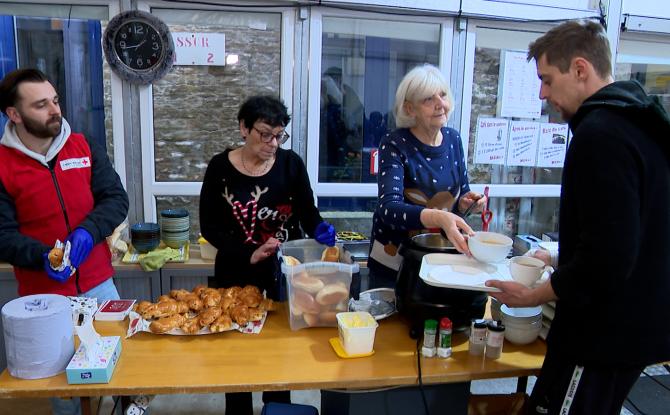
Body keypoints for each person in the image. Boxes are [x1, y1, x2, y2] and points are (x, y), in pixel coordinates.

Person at [486, 20, 670, 415]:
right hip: (636, 329)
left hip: (601, 337)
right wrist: (553, 257)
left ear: (581, 69)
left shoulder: (600, 135)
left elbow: (608, 258)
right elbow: (626, 228)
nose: (542, 93)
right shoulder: (639, 123)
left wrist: (531, 295)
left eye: (548, 80)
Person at [0, 68, 129, 414]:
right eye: (41, 105)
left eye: (55, 101)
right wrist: (43, 255)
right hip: (44, 298)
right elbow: (2, 235)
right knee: (64, 390)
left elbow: (115, 198)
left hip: (100, 286)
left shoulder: (83, 146)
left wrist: (90, 231)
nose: (55, 110)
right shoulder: (1, 166)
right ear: (15, 114)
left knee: (123, 375)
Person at [199, 95, 335, 415]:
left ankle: (277, 409)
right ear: (244, 128)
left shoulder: (291, 165)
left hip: (281, 274)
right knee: (235, 358)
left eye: (279, 135)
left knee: (278, 356)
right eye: (265, 134)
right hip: (234, 271)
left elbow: (307, 212)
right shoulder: (220, 168)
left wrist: (319, 228)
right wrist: (249, 251)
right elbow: (210, 227)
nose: (273, 143)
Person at [367, 64, 486, 288]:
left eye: (442, 95)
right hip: (395, 262)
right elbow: (388, 208)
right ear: (410, 109)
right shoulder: (395, 143)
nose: (440, 104)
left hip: (439, 258)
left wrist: (465, 203)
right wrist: (439, 217)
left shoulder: (453, 140)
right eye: (428, 99)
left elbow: (459, 197)